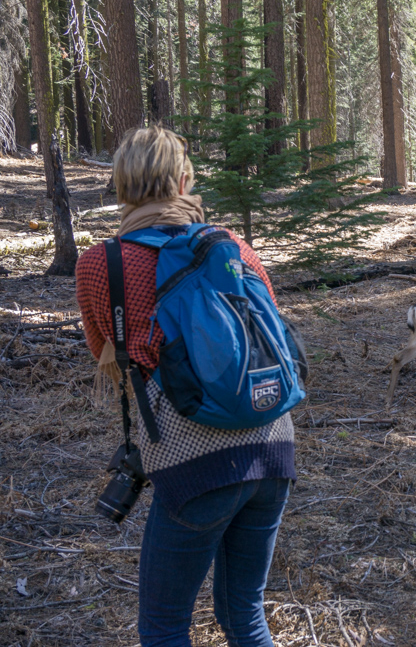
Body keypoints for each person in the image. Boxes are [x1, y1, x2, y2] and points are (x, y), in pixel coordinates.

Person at [76, 126, 296, 647]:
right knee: (245, 615)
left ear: (121, 186)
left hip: (192, 460)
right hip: (273, 445)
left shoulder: (100, 264)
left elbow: (104, 350)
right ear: (182, 180)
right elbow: (269, 334)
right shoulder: (232, 247)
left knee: (164, 625)